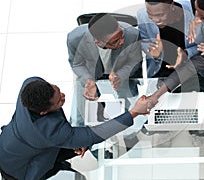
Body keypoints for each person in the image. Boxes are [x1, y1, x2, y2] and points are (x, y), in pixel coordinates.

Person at [0, 76, 155, 179]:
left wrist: (74, 139)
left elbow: (68, 135)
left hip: (11, 144)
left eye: (58, 91)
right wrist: (134, 112)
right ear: (43, 112)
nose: (63, 96)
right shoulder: (48, 132)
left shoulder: (31, 84)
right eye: (59, 101)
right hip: (19, 170)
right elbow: (94, 135)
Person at [67, 13, 142, 127]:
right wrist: (88, 80)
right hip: (91, 75)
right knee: (79, 118)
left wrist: (120, 75)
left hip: (122, 75)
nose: (121, 42)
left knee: (128, 116)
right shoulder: (74, 38)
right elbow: (76, 64)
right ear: (97, 41)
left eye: (121, 36)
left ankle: (128, 137)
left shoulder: (132, 34)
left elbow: (135, 61)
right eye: (115, 41)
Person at [137, 0, 204, 93]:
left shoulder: (195, 12)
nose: (155, 20)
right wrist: (154, 52)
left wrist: (186, 53)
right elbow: (144, 41)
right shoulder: (142, 15)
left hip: (195, 72)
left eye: (160, 15)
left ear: (171, 6)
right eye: (150, 14)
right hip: (162, 75)